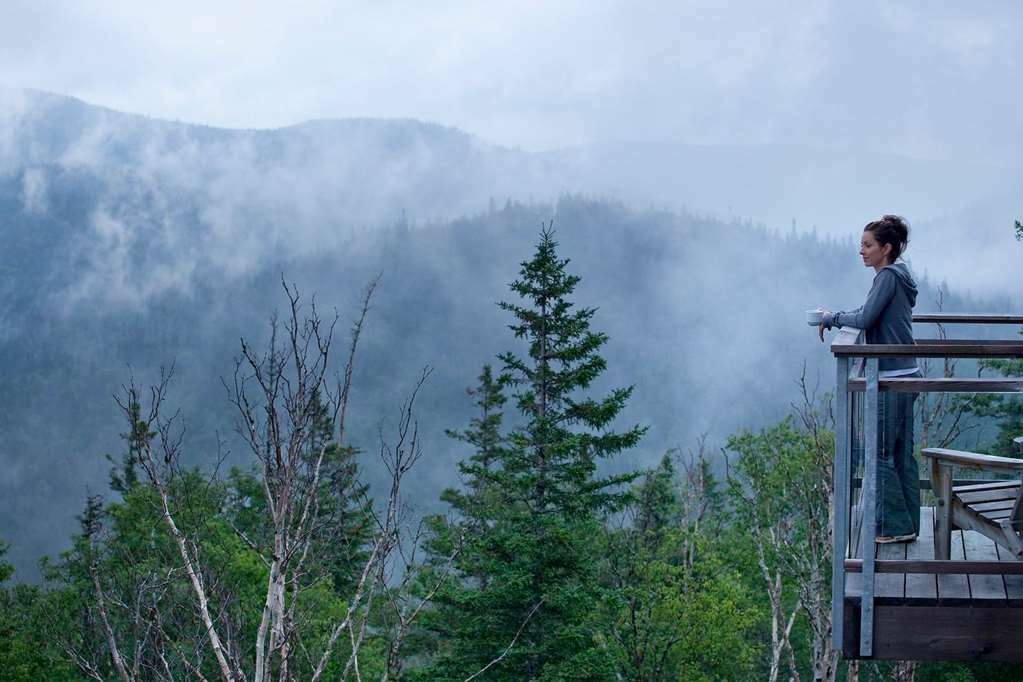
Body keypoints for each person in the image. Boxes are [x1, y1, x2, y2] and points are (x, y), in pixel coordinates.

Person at [818, 215, 920, 543]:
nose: (861, 250)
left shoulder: (887, 277)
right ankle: (908, 523)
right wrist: (843, 316)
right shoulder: (898, 275)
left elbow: (866, 317)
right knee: (901, 452)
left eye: (867, 245)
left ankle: (896, 527)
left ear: (886, 248)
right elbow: (870, 311)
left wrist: (832, 318)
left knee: (879, 452)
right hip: (907, 372)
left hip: (890, 375)